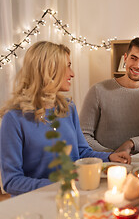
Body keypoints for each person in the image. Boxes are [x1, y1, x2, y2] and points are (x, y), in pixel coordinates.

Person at [0, 41, 131, 196]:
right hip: (35, 203)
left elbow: (81, 152)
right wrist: (59, 184)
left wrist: (109, 157)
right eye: (67, 66)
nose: (72, 73)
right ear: (49, 69)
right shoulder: (14, 118)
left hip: (72, 195)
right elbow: (12, 181)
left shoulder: (67, 107)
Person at [80, 37, 139, 154]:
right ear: (125, 58)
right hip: (106, 163)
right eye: (133, 58)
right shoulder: (97, 90)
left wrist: (131, 143)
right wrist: (111, 155)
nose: (137, 65)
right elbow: (83, 135)